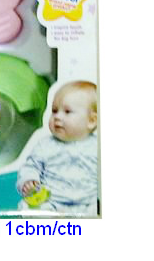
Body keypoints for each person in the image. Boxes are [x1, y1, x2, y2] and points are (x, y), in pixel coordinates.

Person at [17, 81, 99, 214]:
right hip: (52, 201)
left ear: (91, 121)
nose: (57, 117)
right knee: (27, 208)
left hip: (87, 203)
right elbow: (31, 166)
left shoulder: (97, 147)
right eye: (54, 111)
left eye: (67, 111)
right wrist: (29, 180)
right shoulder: (45, 145)